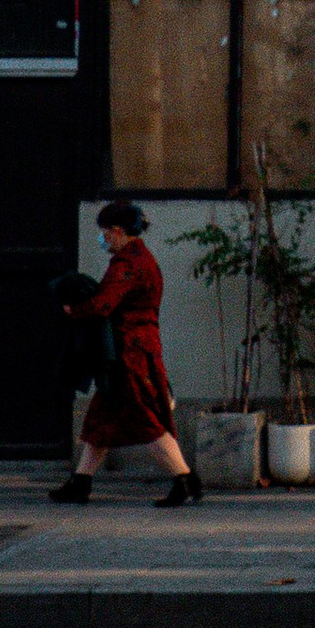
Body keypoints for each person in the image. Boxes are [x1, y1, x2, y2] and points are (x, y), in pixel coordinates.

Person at [50, 199, 201, 505]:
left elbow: (103, 303)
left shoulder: (127, 265)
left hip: (130, 353)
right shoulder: (140, 258)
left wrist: (73, 309)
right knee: (99, 421)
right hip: (136, 349)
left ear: (117, 231)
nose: (103, 239)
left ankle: (183, 479)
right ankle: (81, 482)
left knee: (144, 419)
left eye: (104, 233)